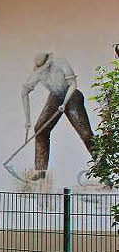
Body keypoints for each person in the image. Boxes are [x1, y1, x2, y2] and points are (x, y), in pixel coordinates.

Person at [21, 53, 96, 181]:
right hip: (55, 97)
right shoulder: (38, 72)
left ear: (49, 63)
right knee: (40, 129)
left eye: (45, 67)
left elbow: (73, 84)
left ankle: (104, 171)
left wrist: (65, 104)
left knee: (86, 134)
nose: (44, 70)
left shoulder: (61, 63)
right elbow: (24, 93)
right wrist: (27, 120)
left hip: (71, 96)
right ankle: (40, 171)